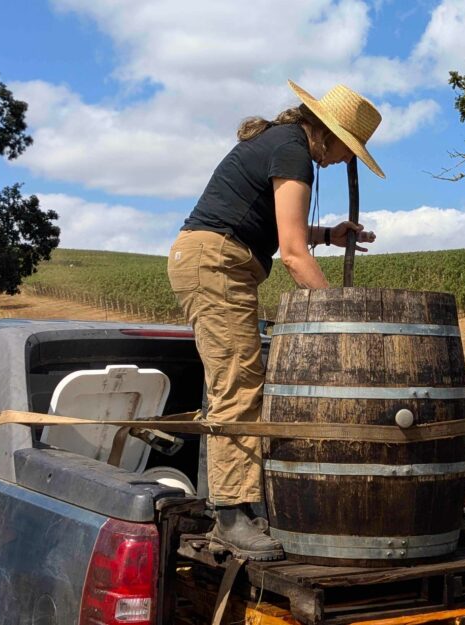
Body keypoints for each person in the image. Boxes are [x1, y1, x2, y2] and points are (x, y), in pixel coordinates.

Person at [166, 81, 382, 561]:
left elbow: (278, 225)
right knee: (238, 383)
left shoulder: (285, 143)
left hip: (219, 259)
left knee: (242, 379)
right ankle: (230, 516)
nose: (349, 161)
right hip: (215, 262)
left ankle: (242, 504)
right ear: (331, 132)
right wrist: (338, 317)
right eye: (352, 150)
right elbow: (291, 254)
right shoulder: (293, 151)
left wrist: (329, 232)